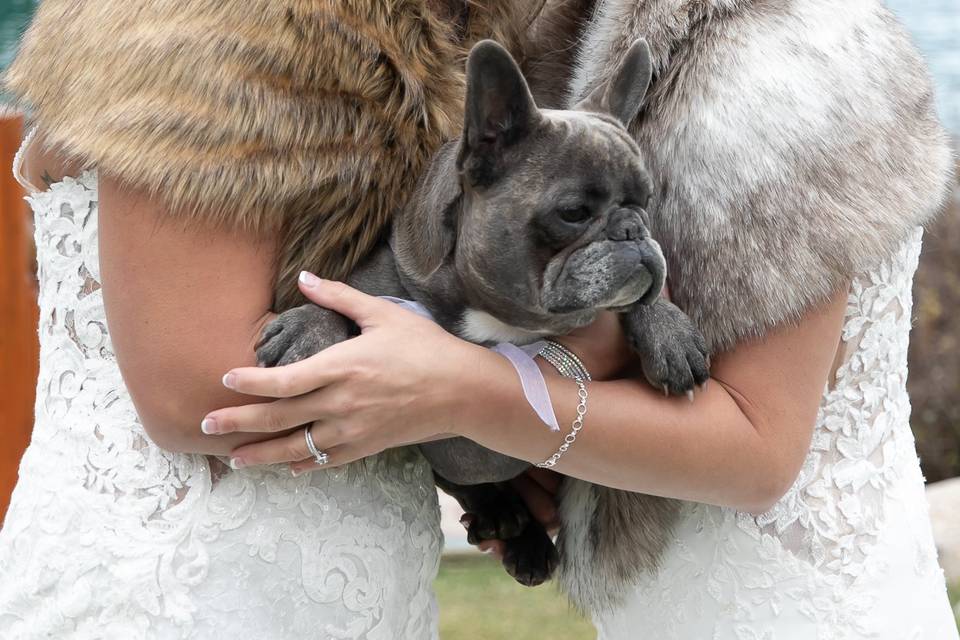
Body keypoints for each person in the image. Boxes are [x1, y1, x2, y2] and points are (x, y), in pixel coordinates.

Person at [197, 1, 960, 639]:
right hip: (641, 602)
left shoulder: (793, 53)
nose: (634, 238)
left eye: (639, 218)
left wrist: (470, 392)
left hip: (802, 599)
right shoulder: (538, 54)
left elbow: (760, 454)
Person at [0, 1, 544, 638]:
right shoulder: (214, 24)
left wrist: (481, 453)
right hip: (188, 581)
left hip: (364, 564)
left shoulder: (444, 27)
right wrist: (497, 402)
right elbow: (207, 392)